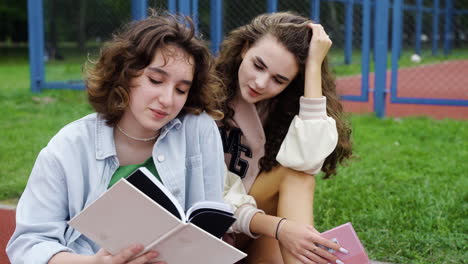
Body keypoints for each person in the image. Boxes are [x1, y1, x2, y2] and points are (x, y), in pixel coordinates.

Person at [7, 11, 226, 264]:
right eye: (155, 80)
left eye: (181, 89)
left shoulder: (199, 131)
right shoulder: (68, 146)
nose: (167, 100)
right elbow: (28, 244)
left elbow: (209, 224)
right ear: (126, 72)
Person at [218, 12, 353, 264]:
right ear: (245, 48)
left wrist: (313, 67)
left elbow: (309, 160)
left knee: (297, 174)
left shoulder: (283, 108)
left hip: (253, 229)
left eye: (278, 80)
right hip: (207, 227)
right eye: (258, 65)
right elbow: (206, 193)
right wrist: (279, 227)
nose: (260, 82)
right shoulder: (204, 92)